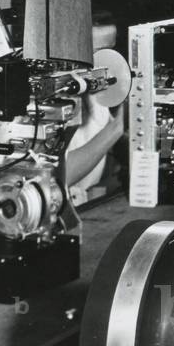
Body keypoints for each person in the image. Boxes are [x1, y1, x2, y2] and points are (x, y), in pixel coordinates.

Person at [65, 14, 125, 205]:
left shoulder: (99, 95)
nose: (106, 61)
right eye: (97, 52)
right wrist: (117, 128)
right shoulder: (50, 98)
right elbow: (61, 175)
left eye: (111, 50)